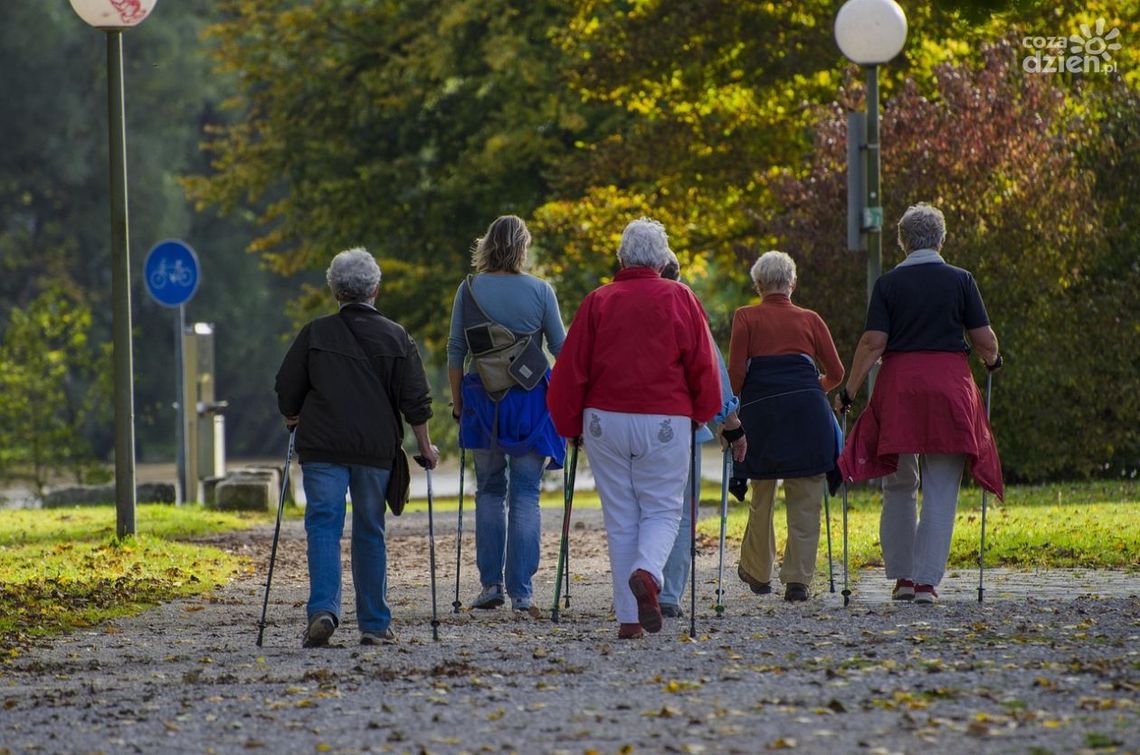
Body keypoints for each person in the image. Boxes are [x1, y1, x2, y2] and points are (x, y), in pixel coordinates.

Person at [547, 218, 723, 639]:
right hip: (664, 416)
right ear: (663, 259)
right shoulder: (680, 297)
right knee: (663, 508)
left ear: (621, 257)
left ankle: (629, 619)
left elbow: (572, 369)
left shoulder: (597, 301)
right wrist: (702, 412)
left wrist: (569, 424)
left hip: (604, 418)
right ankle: (648, 572)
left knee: (621, 515)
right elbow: (703, 364)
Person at [834, 203, 1003, 604]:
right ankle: (928, 582)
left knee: (898, 481)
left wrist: (850, 392)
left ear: (903, 241)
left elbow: (874, 343)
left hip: (899, 389)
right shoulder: (961, 280)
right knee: (942, 485)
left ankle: (903, 578)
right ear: (941, 239)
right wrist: (993, 360)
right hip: (949, 387)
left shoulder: (888, 284)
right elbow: (984, 339)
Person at [275, 247, 439, 648]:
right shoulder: (397, 336)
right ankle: (375, 624)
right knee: (370, 530)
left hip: (322, 449)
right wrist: (426, 446)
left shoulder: (315, 333)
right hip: (373, 451)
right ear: (375, 290)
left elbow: (286, 385)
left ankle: (324, 611)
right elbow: (415, 399)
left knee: (323, 527)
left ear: (335, 291)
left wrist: (292, 415)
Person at [447, 215, 566, 614]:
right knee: (526, 494)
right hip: (531, 401)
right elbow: (561, 350)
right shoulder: (541, 291)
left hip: (483, 399)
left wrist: (458, 403)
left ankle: (490, 584)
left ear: (487, 245)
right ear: (522, 247)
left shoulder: (469, 290)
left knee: (489, 490)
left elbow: (454, 352)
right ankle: (523, 592)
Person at [728, 251, 845, 602]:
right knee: (807, 496)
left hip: (762, 415)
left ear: (759, 285)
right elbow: (837, 373)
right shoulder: (811, 319)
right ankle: (797, 580)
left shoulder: (745, 317)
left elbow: (736, 375)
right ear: (792, 283)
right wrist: (812, 389)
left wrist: (730, 411)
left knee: (762, 494)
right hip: (807, 415)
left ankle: (758, 571)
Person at [658, 254, 746, 619]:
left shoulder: (615, 301)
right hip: (683, 427)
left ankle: (641, 582)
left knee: (640, 511)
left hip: (625, 424)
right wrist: (732, 425)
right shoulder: (687, 305)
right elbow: (711, 370)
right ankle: (669, 594)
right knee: (680, 513)